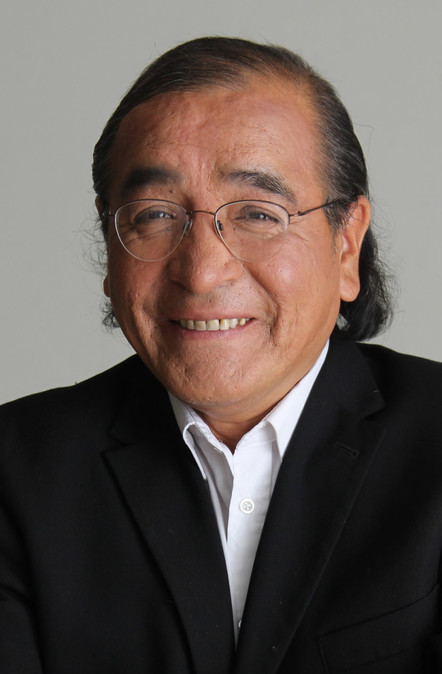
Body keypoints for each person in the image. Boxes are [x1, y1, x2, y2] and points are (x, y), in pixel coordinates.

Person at [0, 36, 441, 674]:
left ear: (346, 244)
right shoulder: (17, 471)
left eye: (258, 214)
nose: (202, 271)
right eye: (154, 214)